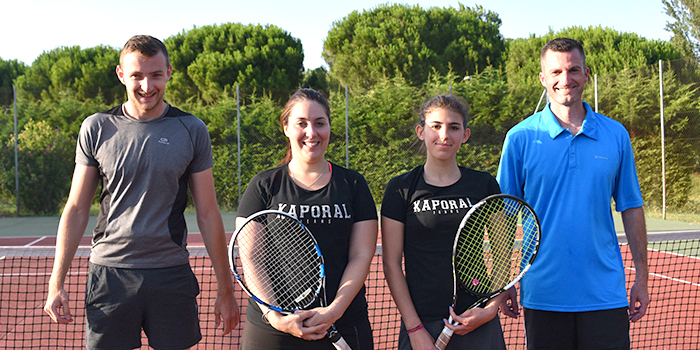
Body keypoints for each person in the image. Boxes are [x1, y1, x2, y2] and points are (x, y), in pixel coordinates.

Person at [43, 35, 240, 349]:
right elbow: (77, 209)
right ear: (121, 75)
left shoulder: (192, 130)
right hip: (110, 276)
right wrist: (56, 283)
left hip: (171, 274)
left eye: (156, 75)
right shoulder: (96, 127)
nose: (147, 86)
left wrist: (225, 290)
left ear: (169, 73)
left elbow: (208, 213)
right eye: (137, 75)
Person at [496, 37, 649, 349]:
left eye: (573, 70)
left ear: (586, 74)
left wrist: (642, 279)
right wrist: (503, 280)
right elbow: (503, 214)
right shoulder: (520, 138)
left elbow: (631, 207)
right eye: (555, 72)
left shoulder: (616, 135)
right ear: (542, 79)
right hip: (543, 293)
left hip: (606, 294)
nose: (565, 80)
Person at [236, 88, 378, 349]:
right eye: (301, 123)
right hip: (273, 331)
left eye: (319, 123)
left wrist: (334, 311)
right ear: (286, 128)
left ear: (329, 128)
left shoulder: (354, 184)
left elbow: (361, 256)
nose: (311, 132)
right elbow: (251, 257)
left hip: (343, 322)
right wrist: (276, 318)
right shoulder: (263, 185)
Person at [381, 94, 506, 350]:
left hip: (476, 319)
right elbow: (391, 263)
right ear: (420, 131)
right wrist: (414, 328)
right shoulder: (401, 189)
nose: (444, 135)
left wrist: (490, 310)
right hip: (422, 324)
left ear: (466, 134)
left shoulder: (484, 185)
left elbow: (504, 254)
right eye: (435, 126)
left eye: (454, 127)